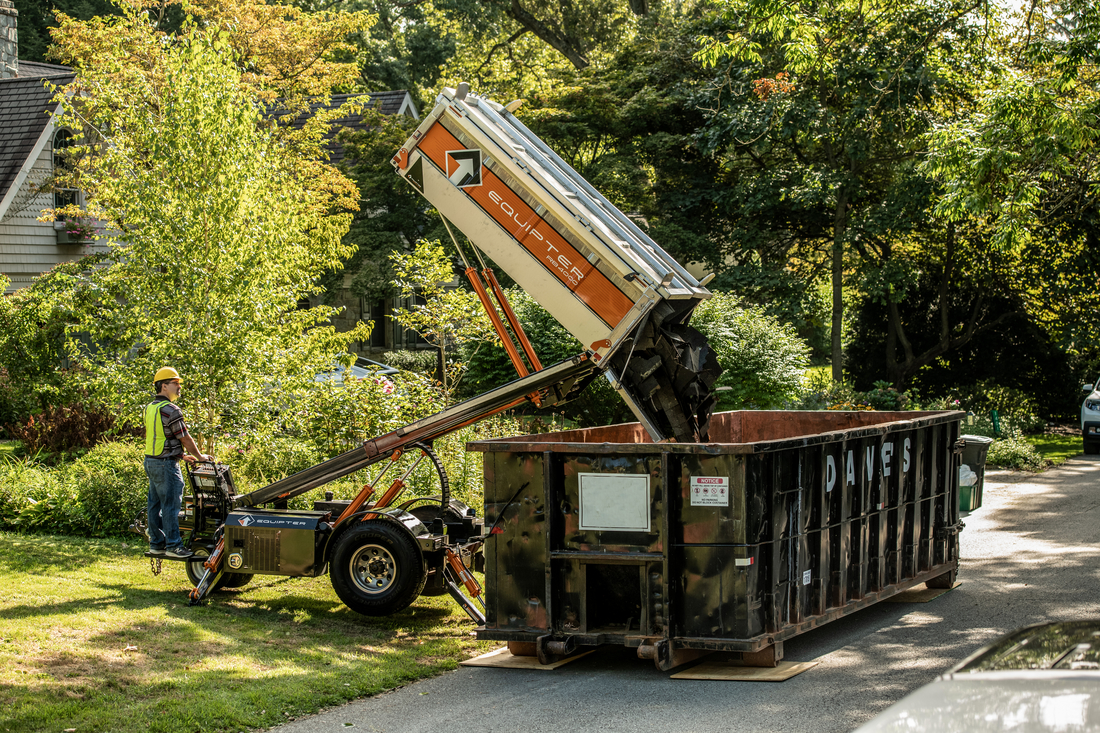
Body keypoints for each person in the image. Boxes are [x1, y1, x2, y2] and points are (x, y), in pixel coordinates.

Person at [144, 367, 213, 559]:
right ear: (164, 386)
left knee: (154, 504)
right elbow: (185, 438)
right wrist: (200, 457)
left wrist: (181, 456)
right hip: (166, 465)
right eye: (176, 384)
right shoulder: (171, 409)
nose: (179, 387)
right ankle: (174, 546)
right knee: (171, 506)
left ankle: (156, 544)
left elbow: (161, 437)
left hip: (151, 462)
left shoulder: (151, 408)